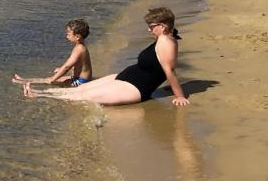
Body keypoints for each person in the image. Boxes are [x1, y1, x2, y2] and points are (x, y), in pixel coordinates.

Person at [22, 7, 189, 107]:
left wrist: (179, 95)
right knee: (81, 89)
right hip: (127, 77)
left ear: (162, 26)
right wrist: (170, 86)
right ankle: (39, 92)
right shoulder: (163, 38)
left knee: (84, 97)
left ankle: (37, 95)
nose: (148, 30)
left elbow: (169, 69)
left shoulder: (167, 42)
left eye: (151, 27)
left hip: (136, 88)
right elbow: (166, 65)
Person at [12, 19, 93, 86]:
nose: (66, 36)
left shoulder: (79, 49)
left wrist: (53, 79)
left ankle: (25, 83)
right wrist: (60, 69)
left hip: (81, 81)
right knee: (52, 78)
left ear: (77, 36)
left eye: (68, 34)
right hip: (79, 78)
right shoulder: (80, 47)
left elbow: (67, 67)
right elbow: (76, 65)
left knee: (52, 81)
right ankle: (24, 80)